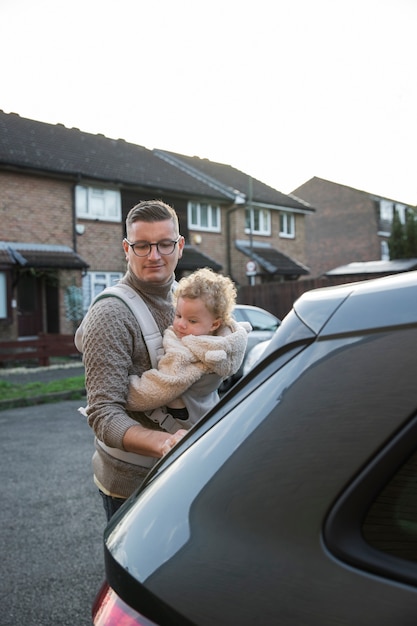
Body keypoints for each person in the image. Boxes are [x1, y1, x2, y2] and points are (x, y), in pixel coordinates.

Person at [80, 199, 188, 521]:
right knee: (131, 568)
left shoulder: (186, 299)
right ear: (127, 249)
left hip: (183, 467)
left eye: (165, 244)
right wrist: (166, 442)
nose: (154, 256)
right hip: (132, 483)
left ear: (179, 246)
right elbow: (102, 414)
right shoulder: (110, 314)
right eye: (142, 246)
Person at [125, 267, 251, 426]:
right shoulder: (226, 340)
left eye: (192, 321)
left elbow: (161, 387)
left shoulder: (191, 355)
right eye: (178, 315)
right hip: (208, 411)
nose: (181, 324)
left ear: (215, 324)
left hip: (187, 423)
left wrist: (123, 390)